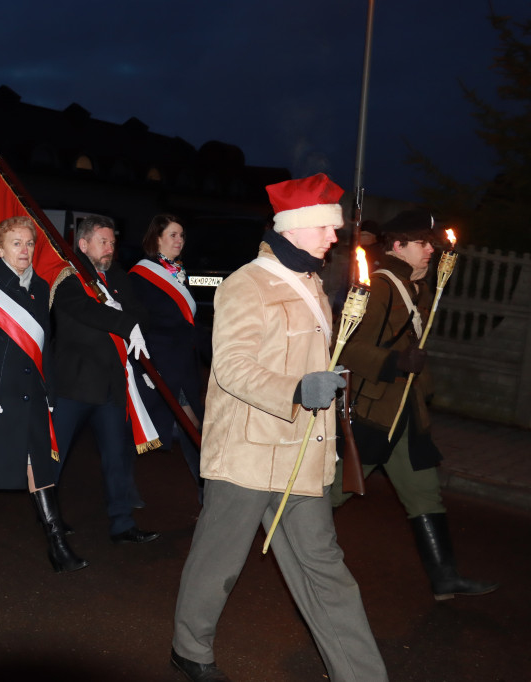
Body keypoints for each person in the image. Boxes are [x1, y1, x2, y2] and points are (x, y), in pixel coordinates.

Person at [170, 173, 387, 682]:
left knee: (325, 570)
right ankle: (190, 649)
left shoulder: (312, 282)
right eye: (325, 228)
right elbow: (232, 367)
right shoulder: (246, 284)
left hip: (300, 453)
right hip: (247, 451)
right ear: (294, 228)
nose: (334, 238)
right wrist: (295, 390)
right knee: (217, 564)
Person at [334, 208, 498, 600]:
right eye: (423, 243)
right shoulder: (379, 286)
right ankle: (286, 533)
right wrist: (393, 362)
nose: (431, 250)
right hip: (376, 412)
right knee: (332, 492)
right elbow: (345, 346)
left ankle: (445, 577)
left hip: (406, 412)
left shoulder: (415, 285)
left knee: (425, 493)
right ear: (399, 245)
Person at [0, 216, 87, 573]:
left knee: (37, 466)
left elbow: (44, 348)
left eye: (28, 244)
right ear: (0, 248)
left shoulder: (40, 287)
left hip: (29, 394)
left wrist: (50, 391)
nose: (24, 250)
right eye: (16, 243)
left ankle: (56, 544)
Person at [50, 214, 160, 544]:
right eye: (103, 241)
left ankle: (122, 523)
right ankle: (49, 518)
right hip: (75, 383)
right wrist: (126, 324)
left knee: (117, 455)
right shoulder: (67, 276)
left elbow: (140, 313)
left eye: (113, 242)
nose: (110, 248)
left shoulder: (115, 277)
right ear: (83, 244)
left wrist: (132, 322)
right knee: (55, 456)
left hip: (111, 383)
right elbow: (87, 312)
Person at [128, 214, 205, 497]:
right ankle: (123, 490)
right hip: (157, 365)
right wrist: (146, 367)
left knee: (192, 427)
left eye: (182, 235)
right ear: (157, 239)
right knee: (137, 431)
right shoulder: (141, 275)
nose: (179, 240)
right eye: (173, 235)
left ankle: (205, 489)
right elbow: (138, 322)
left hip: (182, 364)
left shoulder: (178, 271)